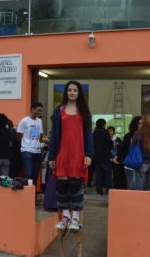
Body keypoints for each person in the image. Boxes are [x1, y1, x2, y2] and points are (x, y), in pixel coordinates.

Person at [48, 80, 93, 231]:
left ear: (79, 93)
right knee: (61, 185)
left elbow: (88, 135)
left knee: (75, 185)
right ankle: (66, 217)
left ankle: (75, 219)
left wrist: (89, 154)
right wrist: (52, 156)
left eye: (75, 90)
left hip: (78, 153)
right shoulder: (58, 110)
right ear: (66, 92)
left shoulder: (84, 111)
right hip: (62, 153)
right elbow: (54, 135)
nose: (72, 92)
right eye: (69, 90)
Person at [17, 101, 48, 187]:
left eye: (41, 111)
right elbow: (19, 135)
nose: (39, 112)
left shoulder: (39, 121)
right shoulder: (24, 121)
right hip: (27, 151)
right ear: (32, 109)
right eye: (38, 110)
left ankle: (32, 195)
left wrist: (45, 141)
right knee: (28, 174)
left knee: (35, 175)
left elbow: (41, 136)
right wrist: (23, 146)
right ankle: (27, 196)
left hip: (37, 151)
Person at [119, 116, 142, 190]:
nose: (141, 125)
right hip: (130, 162)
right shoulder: (128, 136)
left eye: (142, 123)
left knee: (140, 184)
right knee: (130, 184)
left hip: (141, 163)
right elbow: (122, 149)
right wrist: (118, 157)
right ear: (135, 124)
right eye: (139, 123)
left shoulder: (145, 136)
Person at [92, 119, 113, 195]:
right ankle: (109, 190)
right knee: (108, 174)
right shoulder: (105, 133)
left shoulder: (94, 133)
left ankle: (99, 191)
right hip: (105, 157)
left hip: (96, 157)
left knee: (98, 175)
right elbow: (110, 144)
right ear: (104, 124)